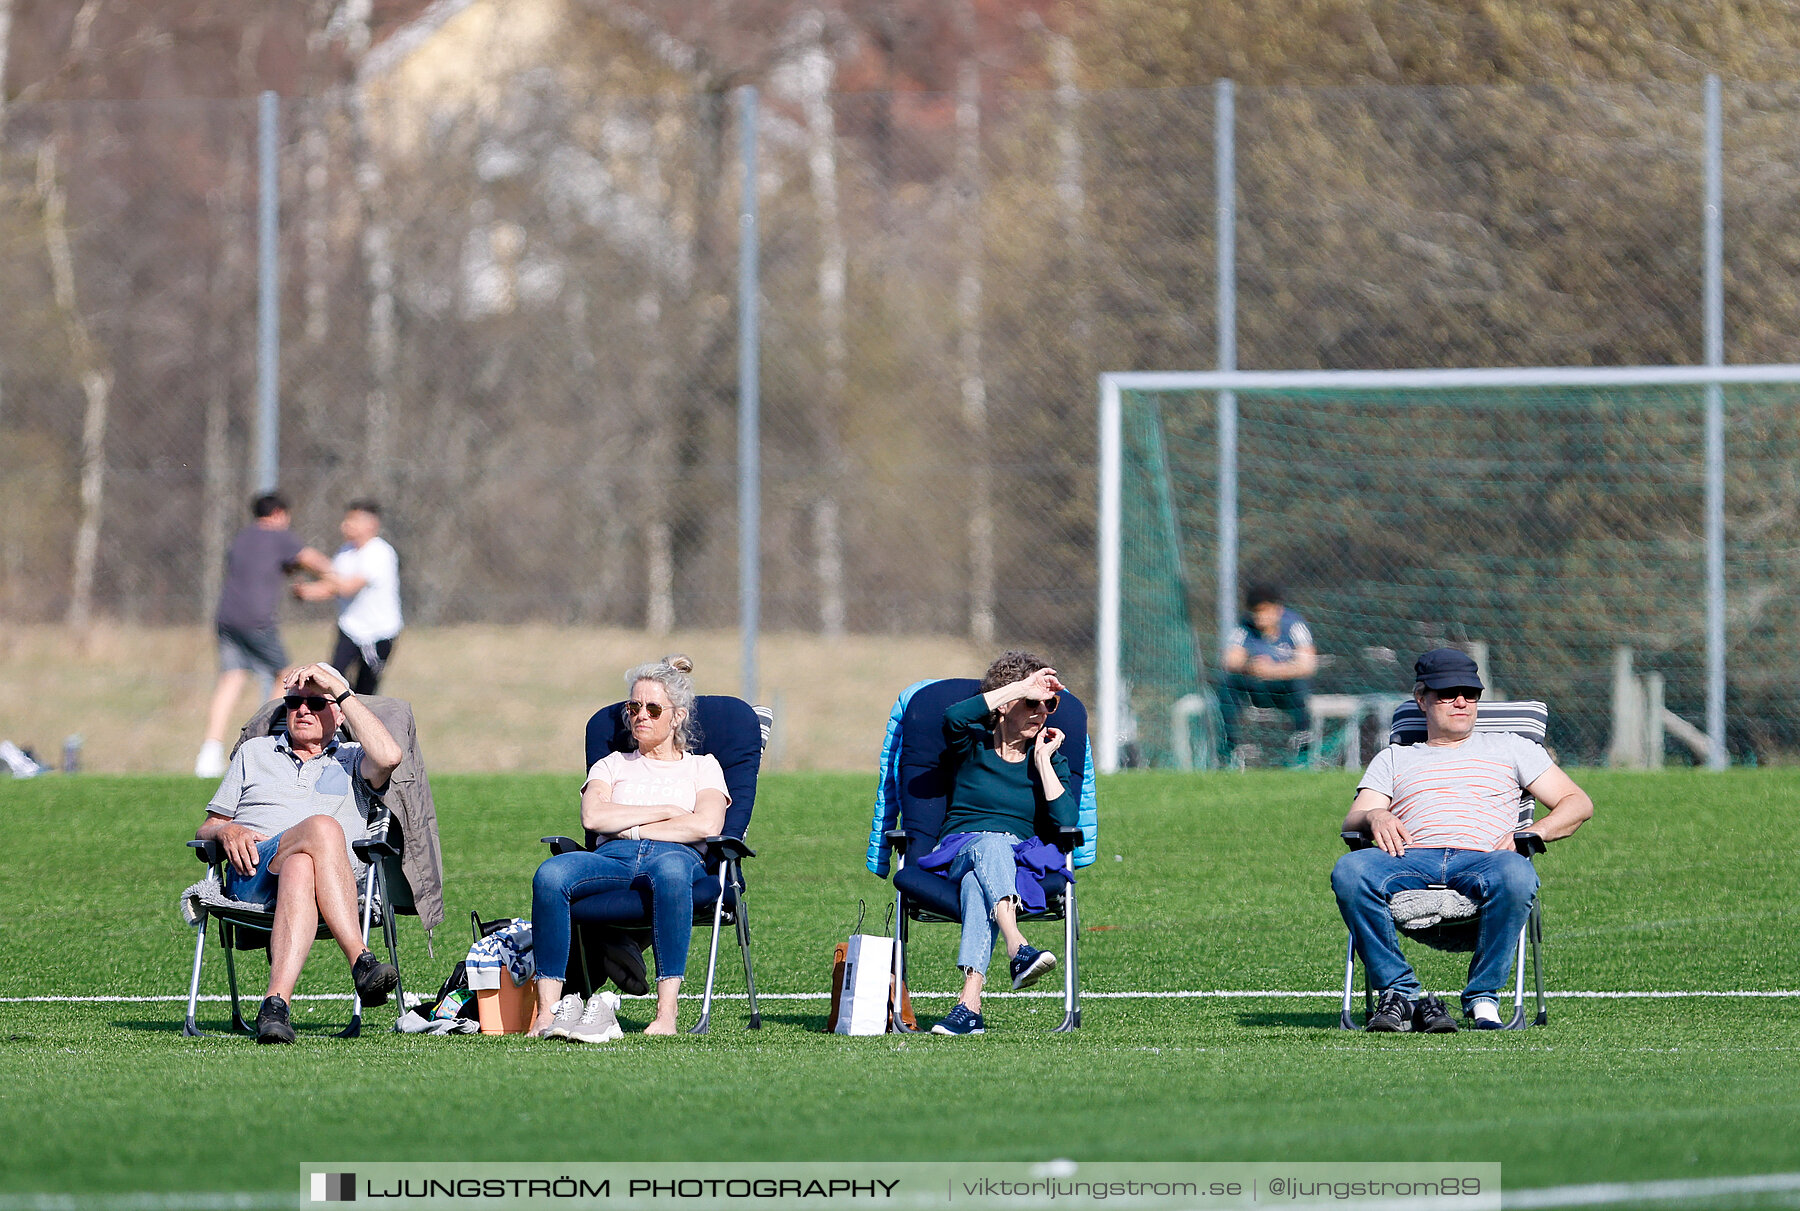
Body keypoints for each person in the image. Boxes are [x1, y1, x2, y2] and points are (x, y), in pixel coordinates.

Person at [1331, 648, 1594, 1033]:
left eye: (1470, 694)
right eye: (1446, 693)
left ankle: (1483, 998)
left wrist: (1532, 833)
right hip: (1409, 857)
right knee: (1350, 870)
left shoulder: (1512, 747)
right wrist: (1375, 814)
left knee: (1518, 875)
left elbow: (1577, 803)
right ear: (1421, 699)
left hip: (1485, 858)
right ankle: (1400, 994)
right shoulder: (1395, 757)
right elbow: (1353, 819)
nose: (1461, 702)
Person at [196, 661, 404, 1043]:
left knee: (300, 866)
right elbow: (206, 827)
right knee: (323, 827)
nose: (303, 710)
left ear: (338, 713)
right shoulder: (255, 753)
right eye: (294, 703)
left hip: (326, 881)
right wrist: (226, 829)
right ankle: (361, 961)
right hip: (255, 874)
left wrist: (339, 689)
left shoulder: (355, 759)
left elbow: (390, 756)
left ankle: (275, 1006)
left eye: (316, 702)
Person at [528, 654, 729, 1040]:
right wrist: (667, 811)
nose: (642, 716)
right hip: (613, 859)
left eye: (654, 709)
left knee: (670, 872)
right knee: (550, 874)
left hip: (676, 858)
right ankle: (545, 1014)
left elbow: (707, 824)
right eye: (634, 707)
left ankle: (666, 1013)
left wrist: (631, 825)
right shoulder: (612, 764)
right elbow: (593, 817)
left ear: (678, 717)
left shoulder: (703, 767)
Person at [920, 650, 1076, 1037]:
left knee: (979, 884)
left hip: (1013, 862)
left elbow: (1067, 823)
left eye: (1049, 704)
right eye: (1031, 702)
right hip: (961, 848)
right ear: (1006, 704)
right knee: (988, 845)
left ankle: (968, 1007)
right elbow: (953, 717)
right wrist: (1019, 686)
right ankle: (1017, 945)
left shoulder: (1048, 757)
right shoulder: (971, 744)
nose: (1042, 712)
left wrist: (1042, 762)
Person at [195, 493, 333, 778]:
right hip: (256, 619)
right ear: (279, 513)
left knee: (231, 679)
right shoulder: (279, 536)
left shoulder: (243, 537)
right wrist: (342, 575)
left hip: (226, 618)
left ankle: (209, 753)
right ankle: (262, 741)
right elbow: (315, 561)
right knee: (285, 676)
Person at [294, 500, 403, 695]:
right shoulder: (345, 552)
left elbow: (347, 587)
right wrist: (307, 591)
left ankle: (359, 724)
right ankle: (334, 724)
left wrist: (316, 563)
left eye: (352, 520)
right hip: (350, 628)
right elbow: (333, 586)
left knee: (365, 692)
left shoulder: (379, 553)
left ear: (371, 524)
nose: (345, 525)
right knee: (331, 681)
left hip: (377, 633)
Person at [1217, 582, 1318, 765]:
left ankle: (1303, 749)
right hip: (1256, 689)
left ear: (1277, 609)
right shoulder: (1245, 627)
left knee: (1298, 686)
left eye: (1265, 611)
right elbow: (1230, 660)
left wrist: (1275, 670)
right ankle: (1229, 747)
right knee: (1228, 685)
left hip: (1284, 690)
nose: (1260, 617)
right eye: (1256, 612)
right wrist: (1251, 666)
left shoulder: (1294, 625)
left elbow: (1308, 665)